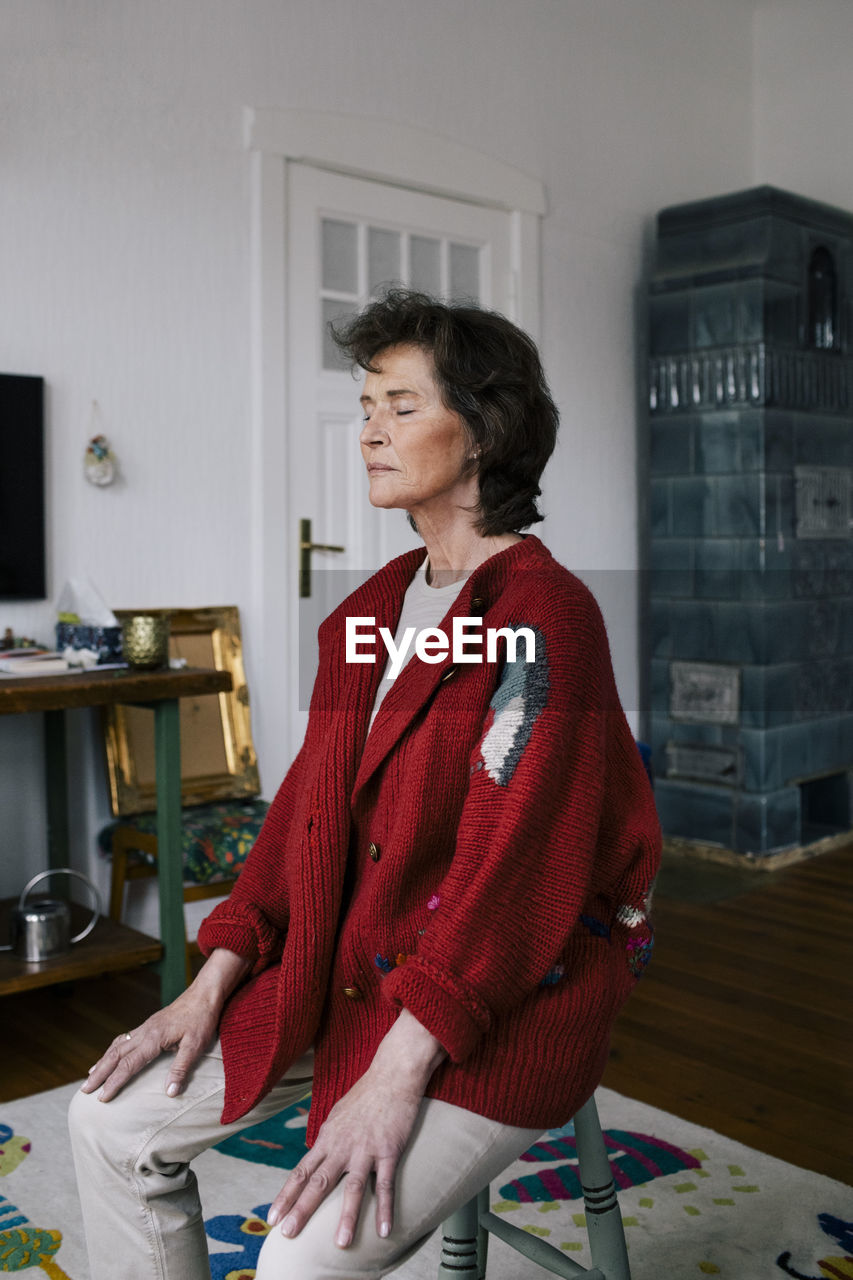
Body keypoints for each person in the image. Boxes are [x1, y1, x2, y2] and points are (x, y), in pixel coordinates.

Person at [68, 289, 661, 1280]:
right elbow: (305, 814)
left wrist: (395, 1073)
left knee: (302, 1255)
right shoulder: (367, 613)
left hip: (502, 997)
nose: (368, 431)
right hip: (350, 970)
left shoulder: (544, 615)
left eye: (399, 405)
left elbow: (509, 874)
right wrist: (213, 978)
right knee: (103, 1120)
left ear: (482, 432)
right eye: (366, 406)